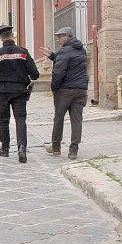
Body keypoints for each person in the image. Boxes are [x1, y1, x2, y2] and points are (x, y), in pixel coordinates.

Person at [0, 24, 39, 163]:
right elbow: (35, 74)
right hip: (20, 90)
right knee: (20, 119)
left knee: (4, 120)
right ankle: (22, 147)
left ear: (1, 37)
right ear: (12, 35)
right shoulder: (23, 52)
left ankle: (4, 148)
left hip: (3, 91)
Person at [47, 27, 89, 159]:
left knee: (58, 118)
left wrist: (54, 88)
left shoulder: (65, 51)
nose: (58, 40)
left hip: (65, 90)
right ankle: (73, 150)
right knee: (77, 120)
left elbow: (59, 72)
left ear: (67, 36)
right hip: (80, 89)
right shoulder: (81, 49)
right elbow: (71, 63)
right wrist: (52, 56)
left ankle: (56, 147)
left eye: (60, 37)